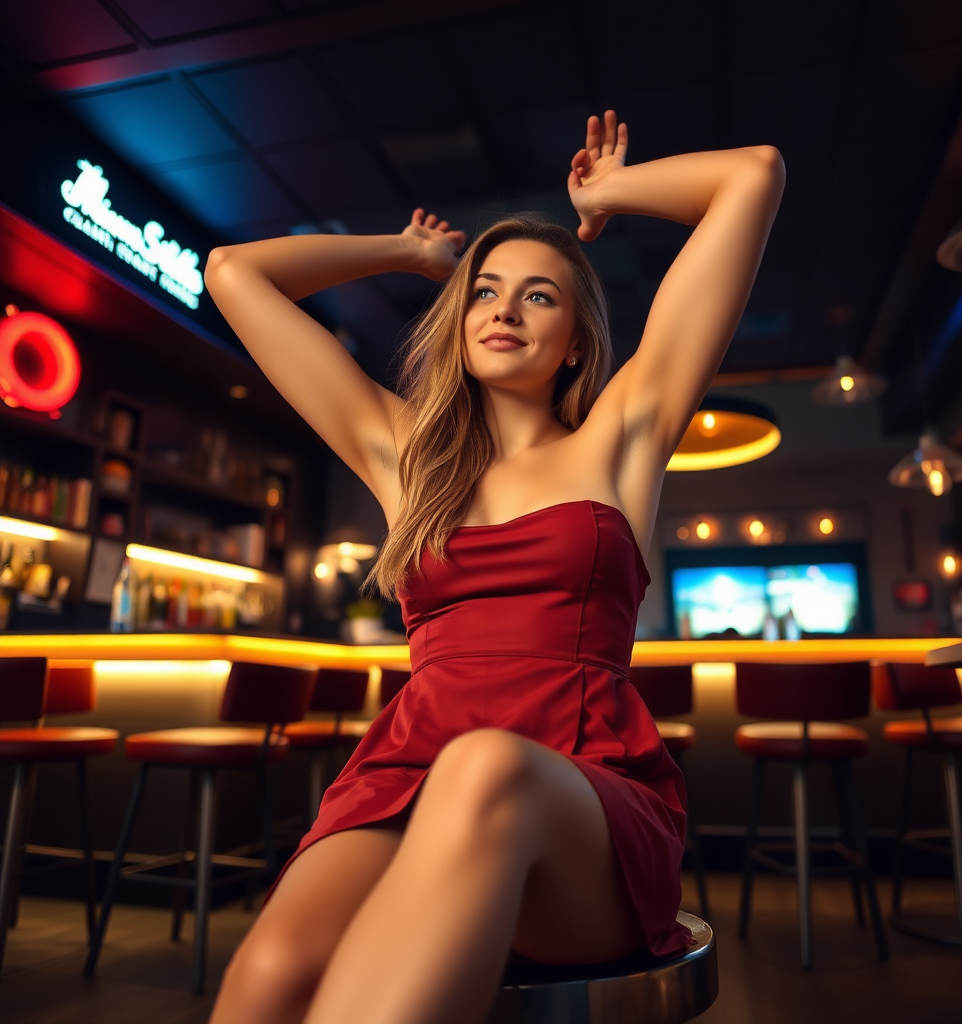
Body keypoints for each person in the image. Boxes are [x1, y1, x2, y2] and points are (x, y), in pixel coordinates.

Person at [204, 111, 783, 1024]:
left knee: (481, 770)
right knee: (269, 980)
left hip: (578, 798)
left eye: (540, 296)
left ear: (579, 342)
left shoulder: (621, 436)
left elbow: (751, 175)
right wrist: (406, 252)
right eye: (486, 292)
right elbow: (234, 273)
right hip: (406, 773)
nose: (505, 309)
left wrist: (608, 195)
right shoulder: (404, 456)